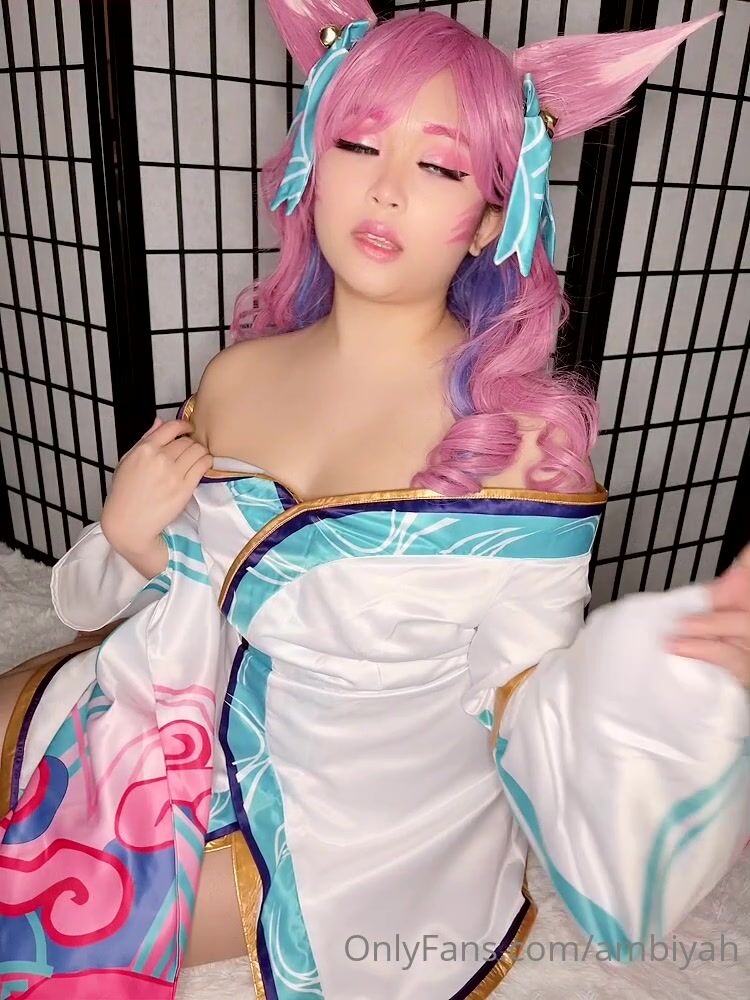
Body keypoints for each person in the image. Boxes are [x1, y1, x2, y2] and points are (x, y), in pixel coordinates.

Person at [1, 3, 747, 998]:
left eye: (438, 166)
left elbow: (530, 699)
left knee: (53, 901)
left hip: (355, 813)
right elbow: (187, 594)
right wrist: (131, 537)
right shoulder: (236, 377)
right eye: (357, 144)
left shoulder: (525, 450)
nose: (386, 188)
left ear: (494, 217)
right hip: (182, 702)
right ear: (314, 163)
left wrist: (677, 681)